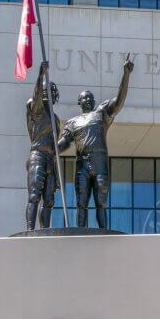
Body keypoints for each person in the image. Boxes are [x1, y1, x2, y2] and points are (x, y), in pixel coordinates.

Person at [57, 56, 134, 228]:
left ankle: (103, 232)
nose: (89, 100)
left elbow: (119, 101)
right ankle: (80, 233)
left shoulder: (101, 113)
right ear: (79, 102)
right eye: (85, 98)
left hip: (99, 162)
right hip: (82, 164)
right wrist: (51, 149)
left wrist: (126, 75)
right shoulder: (72, 122)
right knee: (81, 202)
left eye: (91, 97)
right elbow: (63, 143)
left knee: (101, 202)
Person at [25, 61, 62, 230]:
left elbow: (56, 146)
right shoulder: (36, 109)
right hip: (38, 156)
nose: (50, 93)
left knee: (49, 200)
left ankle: (45, 230)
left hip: (50, 160)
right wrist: (41, 75)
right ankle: (30, 230)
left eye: (52, 91)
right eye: (48, 90)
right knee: (34, 196)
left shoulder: (55, 119)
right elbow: (37, 95)